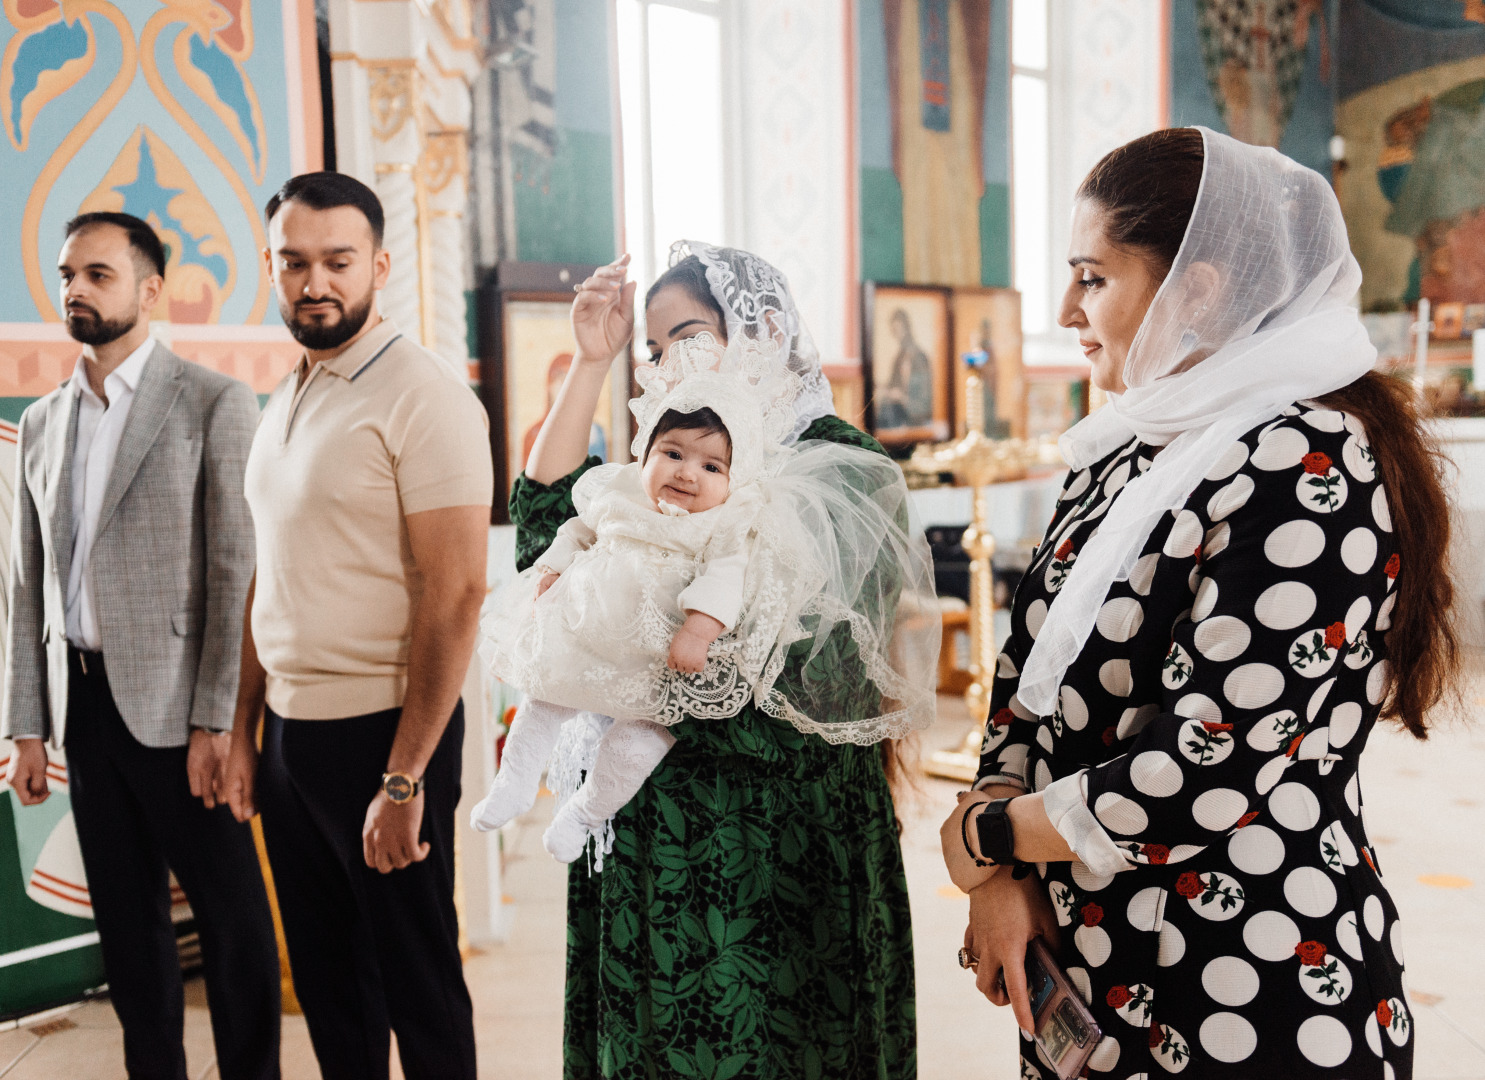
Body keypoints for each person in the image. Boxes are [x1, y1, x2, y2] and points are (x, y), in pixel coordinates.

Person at [940, 127, 1453, 1078]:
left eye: (1091, 278)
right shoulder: (1130, 452)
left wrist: (987, 836)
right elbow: (1025, 687)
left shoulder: (1307, 464)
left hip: (1250, 976)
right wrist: (1003, 873)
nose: (1064, 310)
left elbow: (1201, 771)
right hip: (1094, 970)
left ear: (1199, 289)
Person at [517, 242, 927, 1079]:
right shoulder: (671, 454)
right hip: (649, 823)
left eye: (688, 337)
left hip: (777, 836)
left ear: (764, 330)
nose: (669, 365)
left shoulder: (845, 468)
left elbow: (797, 672)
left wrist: (617, 637)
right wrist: (592, 364)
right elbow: (546, 530)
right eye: (655, 349)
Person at [220, 173, 492, 1080]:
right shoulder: (287, 395)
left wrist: (406, 778)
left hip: (386, 732)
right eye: (294, 263)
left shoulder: (425, 394)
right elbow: (270, 574)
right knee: (333, 989)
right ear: (272, 267)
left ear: (378, 264)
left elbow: (456, 593)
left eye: (338, 261)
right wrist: (244, 727)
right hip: (294, 737)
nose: (315, 282)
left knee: (416, 984)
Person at [473, 332, 936, 863]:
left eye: (712, 466)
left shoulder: (730, 522)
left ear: (735, 479)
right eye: (671, 453)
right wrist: (551, 571)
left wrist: (698, 629)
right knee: (542, 694)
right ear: (644, 453)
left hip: (660, 661)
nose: (687, 472)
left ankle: (586, 812)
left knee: (641, 741)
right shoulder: (619, 492)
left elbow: (727, 577)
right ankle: (514, 781)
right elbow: (576, 532)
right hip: (587, 629)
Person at [2, 212, 278, 1080]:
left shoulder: (213, 401)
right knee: (127, 929)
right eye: (66, 274)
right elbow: (23, 583)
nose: (76, 290)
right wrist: (27, 725)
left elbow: (237, 567)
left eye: (98, 274)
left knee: (232, 925)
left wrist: (216, 721)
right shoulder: (43, 421)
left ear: (151, 289)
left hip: (179, 711)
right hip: (81, 709)